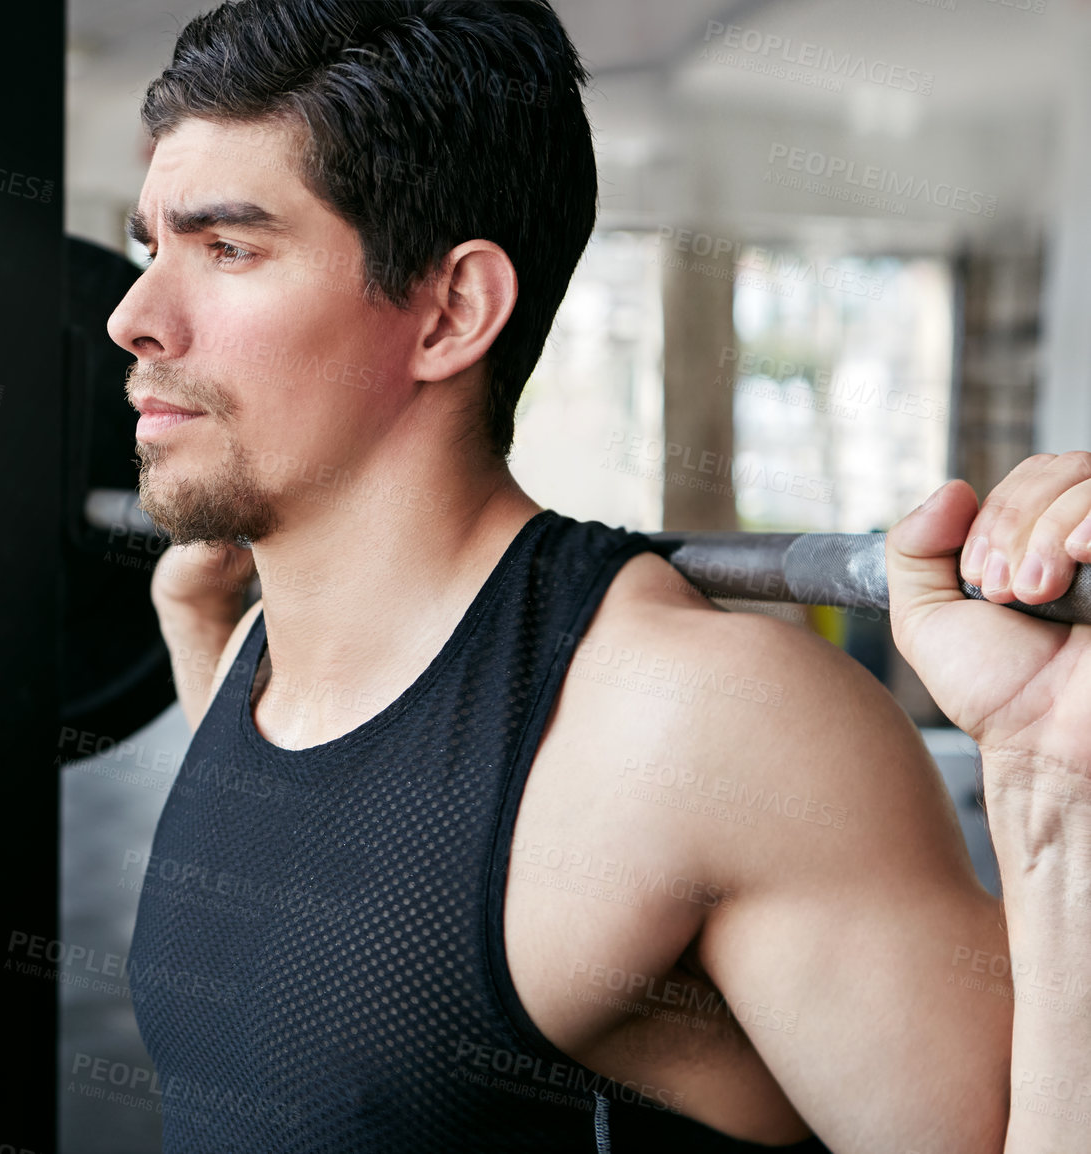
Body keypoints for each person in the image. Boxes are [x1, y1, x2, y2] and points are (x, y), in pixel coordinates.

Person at [110, 3, 1090, 1151]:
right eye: (150, 249)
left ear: (450, 310)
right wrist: (200, 652)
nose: (135, 317)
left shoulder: (702, 724)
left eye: (227, 248)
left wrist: (1053, 800)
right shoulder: (248, 659)